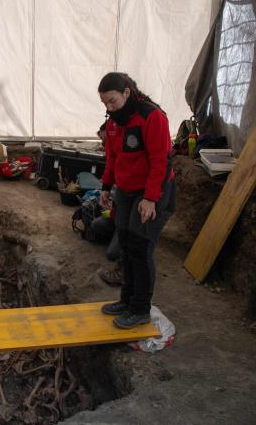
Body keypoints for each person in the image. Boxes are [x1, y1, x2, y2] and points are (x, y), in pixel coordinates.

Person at [97, 72, 175, 329]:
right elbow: (113, 158)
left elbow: (160, 161)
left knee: (141, 248)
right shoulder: (114, 123)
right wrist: (106, 186)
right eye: (105, 104)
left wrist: (151, 199)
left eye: (113, 101)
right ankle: (127, 300)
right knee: (126, 246)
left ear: (127, 92)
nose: (109, 108)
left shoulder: (152, 117)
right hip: (127, 191)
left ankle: (141, 309)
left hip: (152, 191)